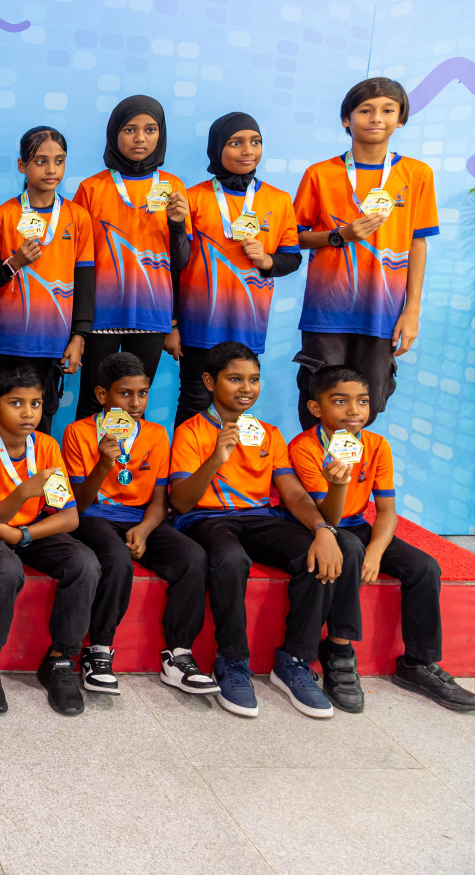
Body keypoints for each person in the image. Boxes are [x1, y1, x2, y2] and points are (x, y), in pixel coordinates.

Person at [169, 342, 365, 719]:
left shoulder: (269, 434)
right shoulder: (191, 431)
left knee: (319, 552)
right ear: (210, 381)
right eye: (235, 379)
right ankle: (232, 661)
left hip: (260, 517)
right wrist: (216, 458)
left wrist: (323, 529)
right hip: (205, 519)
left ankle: (294, 660)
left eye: (254, 379)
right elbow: (180, 502)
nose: (246, 388)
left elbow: (292, 493)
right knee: (229, 559)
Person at [289, 365, 475, 711]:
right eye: (340, 401)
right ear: (316, 408)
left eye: (362, 401)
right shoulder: (304, 448)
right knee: (351, 548)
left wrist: (376, 552)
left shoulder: (376, 445)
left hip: (358, 524)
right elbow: (327, 517)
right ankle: (339, 649)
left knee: (424, 567)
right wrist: (338, 483)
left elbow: (387, 512)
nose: (354, 411)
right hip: (320, 525)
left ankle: (418, 663)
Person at [60, 353, 218, 697]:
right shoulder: (78, 432)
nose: (135, 403)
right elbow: (76, 503)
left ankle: (178, 655)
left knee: (193, 558)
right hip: (93, 517)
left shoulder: (157, 435)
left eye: (142, 393)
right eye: (125, 394)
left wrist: (145, 530)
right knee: (116, 558)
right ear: (103, 395)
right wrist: (104, 464)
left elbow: (160, 501)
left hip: (141, 520)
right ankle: (98, 651)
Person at [293, 78, 436, 428]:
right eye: (365, 110)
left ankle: (347, 481)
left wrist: (412, 310)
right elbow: (293, 237)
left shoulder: (416, 174)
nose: (376, 118)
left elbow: (417, 242)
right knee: (320, 401)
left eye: (388, 110)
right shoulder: (320, 174)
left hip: (383, 312)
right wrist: (340, 235)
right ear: (346, 119)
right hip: (327, 312)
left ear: (400, 119)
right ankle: (309, 480)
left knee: (364, 407)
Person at [0, 366, 94, 716]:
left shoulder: (47, 446)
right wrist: (24, 493)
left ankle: (61, 660)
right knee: (6, 568)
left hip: (27, 530)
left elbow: (70, 517)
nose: (28, 412)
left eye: (35, 404)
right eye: (16, 403)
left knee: (85, 563)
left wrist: (24, 534)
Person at [169, 113, 301, 424]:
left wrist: (267, 260)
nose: (248, 151)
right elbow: (176, 266)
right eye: (236, 143)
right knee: (194, 399)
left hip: (247, 324)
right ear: (217, 149)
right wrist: (172, 324)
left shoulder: (279, 200)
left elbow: (292, 258)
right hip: (200, 326)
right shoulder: (194, 198)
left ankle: (228, 472)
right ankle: (184, 472)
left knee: (237, 404)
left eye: (255, 142)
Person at [72, 95, 191, 418]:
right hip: (101, 315)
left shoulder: (173, 186)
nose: (140, 138)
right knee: (93, 401)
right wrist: (77, 326)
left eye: (150, 129)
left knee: (134, 406)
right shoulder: (91, 189)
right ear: (114, 134)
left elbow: (181, 263)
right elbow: (79, 262)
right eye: (130, 129)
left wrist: (178, 226)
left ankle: (127, 468)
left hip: (152, 316)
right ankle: (86, 469)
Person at [0, 126, 94, 433]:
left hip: (52, 343)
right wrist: (14, 263)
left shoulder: (77, 217)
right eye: (41, 161)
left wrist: (79, 337)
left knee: (40, 424)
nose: (51, 169)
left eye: (59, 161)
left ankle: (36, 478)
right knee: (1, 420)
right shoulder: (3, 215)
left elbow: (85, 281)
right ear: (22, 165)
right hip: (8, 341)